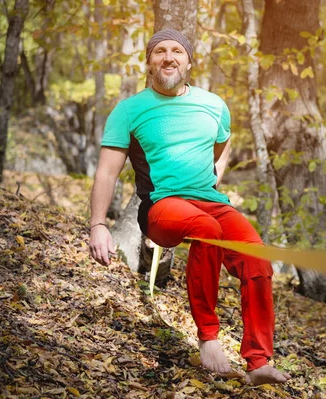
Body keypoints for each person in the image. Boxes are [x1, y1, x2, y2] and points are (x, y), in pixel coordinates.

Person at [88, 29, 291, 386]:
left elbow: (223, 143)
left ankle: (258, 362)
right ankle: (208, 338)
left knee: (257, 260)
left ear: (189, 61)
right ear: (149, 62)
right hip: (161, 207)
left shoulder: (214, 105)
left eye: (177, 51)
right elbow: (107, 170)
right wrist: (98, 225)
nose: (169, 57)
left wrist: (213, 179)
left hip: (211, 202)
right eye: (160, 51)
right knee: (206, 230)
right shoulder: (130, 110)